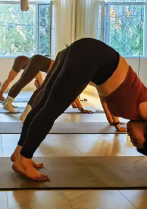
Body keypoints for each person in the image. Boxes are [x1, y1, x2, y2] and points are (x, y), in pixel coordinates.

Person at [11, 38, 147, 182]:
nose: (131, 138)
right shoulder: (144, 109)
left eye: (133, 142)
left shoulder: (130, 110)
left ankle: (19, 153)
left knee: (43, 105)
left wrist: (115, 123)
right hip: (91, 55)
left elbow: (105, 98)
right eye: (137, 140)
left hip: (87, 52)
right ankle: (24, 161)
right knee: (49, 111)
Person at [19, 48, 94, 122]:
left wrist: (79, 107)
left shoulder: (69, 69)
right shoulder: (71, 73)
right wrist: (81, 108)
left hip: (57, 73)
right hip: (58, 74)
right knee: (43, 92)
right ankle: (27, 116)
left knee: (43, 90)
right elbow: (72, 92)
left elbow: (72, 95)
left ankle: (25, 115)